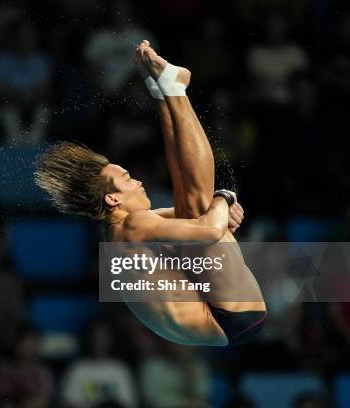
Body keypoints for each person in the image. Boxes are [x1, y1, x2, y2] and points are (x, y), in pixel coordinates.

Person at [34, 41, 266, 347]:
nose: (138, 181)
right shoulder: (132, 228)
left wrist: (220, 209)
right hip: (228, 314)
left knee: (191, 209)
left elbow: (195, 217)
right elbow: (209, 229)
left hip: (226, 318)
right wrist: (223, 197)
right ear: (112, 199)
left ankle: (164, 91)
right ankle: (172, 89)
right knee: (197, 209)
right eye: (127, 179)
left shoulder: (119, 234)